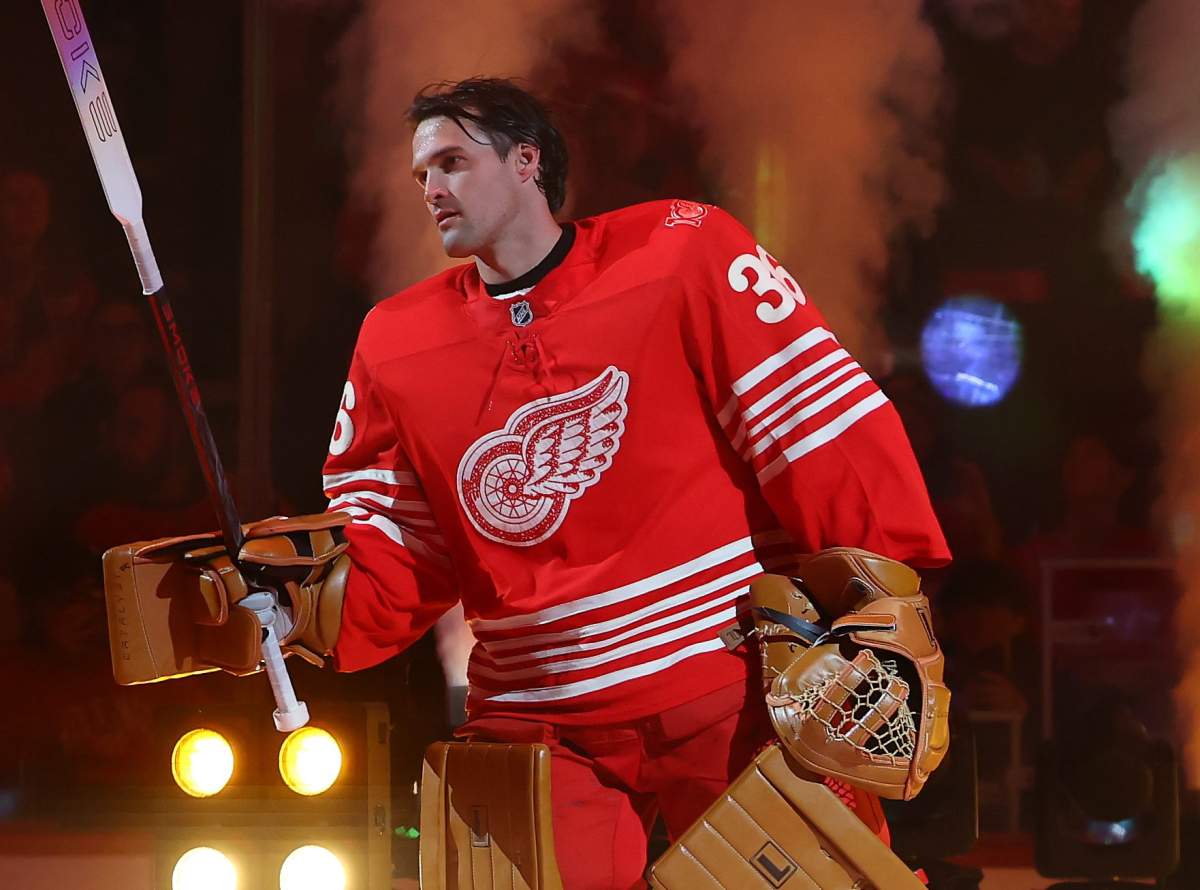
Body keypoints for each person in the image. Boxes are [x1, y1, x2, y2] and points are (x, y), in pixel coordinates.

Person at [111, 78, 950, 888]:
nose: (431, 187)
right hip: (536, 715)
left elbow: (812, 423)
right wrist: (290, 603)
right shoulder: (393, 342)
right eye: (421, 173)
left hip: (722, 686)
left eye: (452, 161)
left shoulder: (683, 249)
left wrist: (880, 600)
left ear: (527, 160)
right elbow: (397, 549)